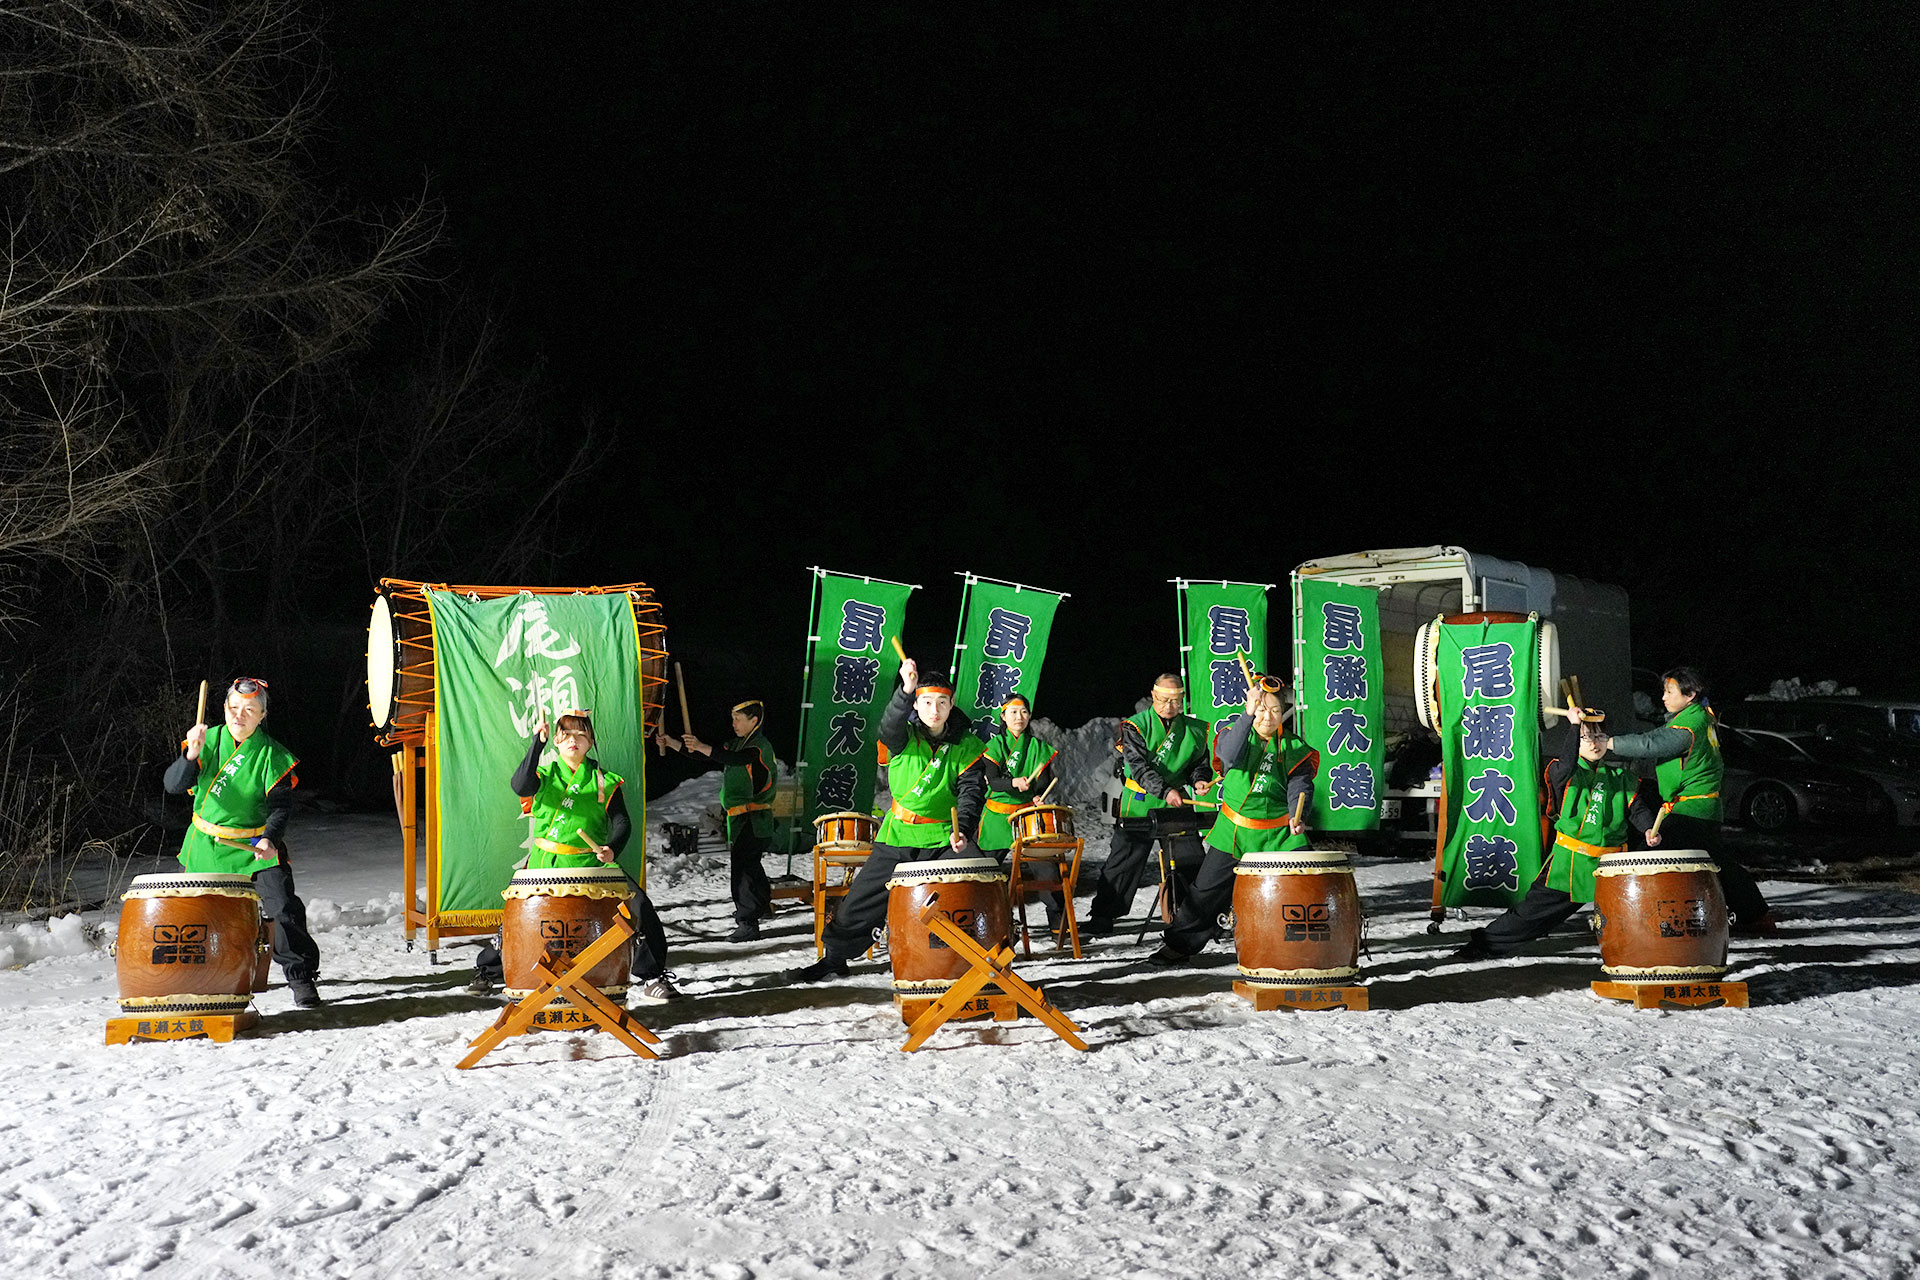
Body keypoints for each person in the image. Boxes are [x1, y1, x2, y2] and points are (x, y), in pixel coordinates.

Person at [787, 661, 987, 983]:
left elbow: (971, 794)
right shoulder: (902, 737)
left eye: (941, 702)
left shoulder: (967, 746)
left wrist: (962, 830)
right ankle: (835, 959)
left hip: (943, 837)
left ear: (951, 705)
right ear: (916, 705)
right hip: (898, 835)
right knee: (859, 900)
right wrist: (905, 690)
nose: (934, 710)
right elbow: (889, 724)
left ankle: (978, 958)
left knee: (977, 885)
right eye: (926, 702)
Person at [471, 710, 679, 1002]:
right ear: (556, 740)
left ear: (590, 742)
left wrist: (613, 848)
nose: (573, 740)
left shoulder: (604, 781)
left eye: (581, 734)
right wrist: (537, 744)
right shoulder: (544, 776)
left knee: (641, 907)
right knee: (517, 917)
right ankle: (488, 970)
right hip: (545, 863)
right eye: (566, 734)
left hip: (590, 863)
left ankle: (652, 976)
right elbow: (520, 785)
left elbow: (622, 822)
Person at [163, 677, 323, 1008]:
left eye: (249, 710)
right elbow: (173, 786)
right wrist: (190, 755)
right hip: (206, 842)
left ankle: (301, 978)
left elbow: (280, 807)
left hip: (254, 844)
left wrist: (269, 838)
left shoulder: (272, 754)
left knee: (283, 909)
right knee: (194, 915)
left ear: (262, 715)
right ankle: (200, 978)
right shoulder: (206, 741)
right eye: (233, 708)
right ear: (224, 709)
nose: (239, 715)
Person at [1451, 712, 1657, 960]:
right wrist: (1573, 727)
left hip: (1611, 866)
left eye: (1600, 737)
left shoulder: (1621, 778)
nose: (1594, 743)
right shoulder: (1564, 773)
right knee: (1534, 914)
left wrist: (1648, 828)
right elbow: (1567, 764)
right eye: (1586, 738)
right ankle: (1484, 944)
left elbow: (1637, 809)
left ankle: (1641, 958)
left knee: (1632, 912)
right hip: (1571, 863)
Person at [1149, 674, 1316, 963]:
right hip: (1234, 829)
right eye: (1261, 709)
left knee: (1308, 884)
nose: (1268, 716)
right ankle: (1180, 944)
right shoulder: (1234, 734)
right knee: (1205, 891)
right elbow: (1227, 756)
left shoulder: (1294, 747)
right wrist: (1247, 715)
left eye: (1275, 710)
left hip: (1279, 832)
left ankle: (1306, 947)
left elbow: (1300, 785)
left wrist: (1297, 814)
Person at [1600, 666, 1774, 934]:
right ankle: (1755, 915)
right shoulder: (1700, 716)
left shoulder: (1689, 725)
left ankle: (1637, 923)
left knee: (1649, 860)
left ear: (1690, 694)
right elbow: (1657, 741)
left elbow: (1652, 744)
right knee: (1715, 863)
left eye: (1670, 692)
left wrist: (1608, 744)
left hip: (1692, 809)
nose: (1663, 697)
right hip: (1697, 807)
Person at [1085, 673, 1214, 935]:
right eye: (1163, 699)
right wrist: (1164, 790)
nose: (1169, 706)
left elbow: (1198, 764)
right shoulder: (1136, 726)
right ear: (1153, 696)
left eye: (1175, 700)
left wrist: (1199, 780)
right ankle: (1104, 915)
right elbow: (1139, 768)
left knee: (1190, 859)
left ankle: (1196, 916)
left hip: (1176, 801)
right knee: (1125, 860)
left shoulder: (1194, 729)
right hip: (1140, 799)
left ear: (1182, 699)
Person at [659, 699, 778, 941]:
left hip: (753, 818)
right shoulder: (736, 744)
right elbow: (709, 755)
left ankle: (747, 922)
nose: (733, 724)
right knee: (751, 866)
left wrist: (702, 746)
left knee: (743, 871)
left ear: (754, 721)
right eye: (733, 719)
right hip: (742, 819)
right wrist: (673, 743)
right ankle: (761, 906)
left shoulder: (759, 747)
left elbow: (734, 759)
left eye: (738, 719)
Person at [974, 693, 1064, 924]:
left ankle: (1058, 923)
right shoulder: (994, 746)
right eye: (1013, 712)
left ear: (1030, 716)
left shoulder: (1038, 747)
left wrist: (1037, 796)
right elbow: (993, 781)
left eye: (1024, 712)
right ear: (1003, 716)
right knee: (984, 871)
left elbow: (1043, 782)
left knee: (1046, 869)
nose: (1019, 717)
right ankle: (989, 921)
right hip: (997, 816)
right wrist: (1013, 782)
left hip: (1027, 817)